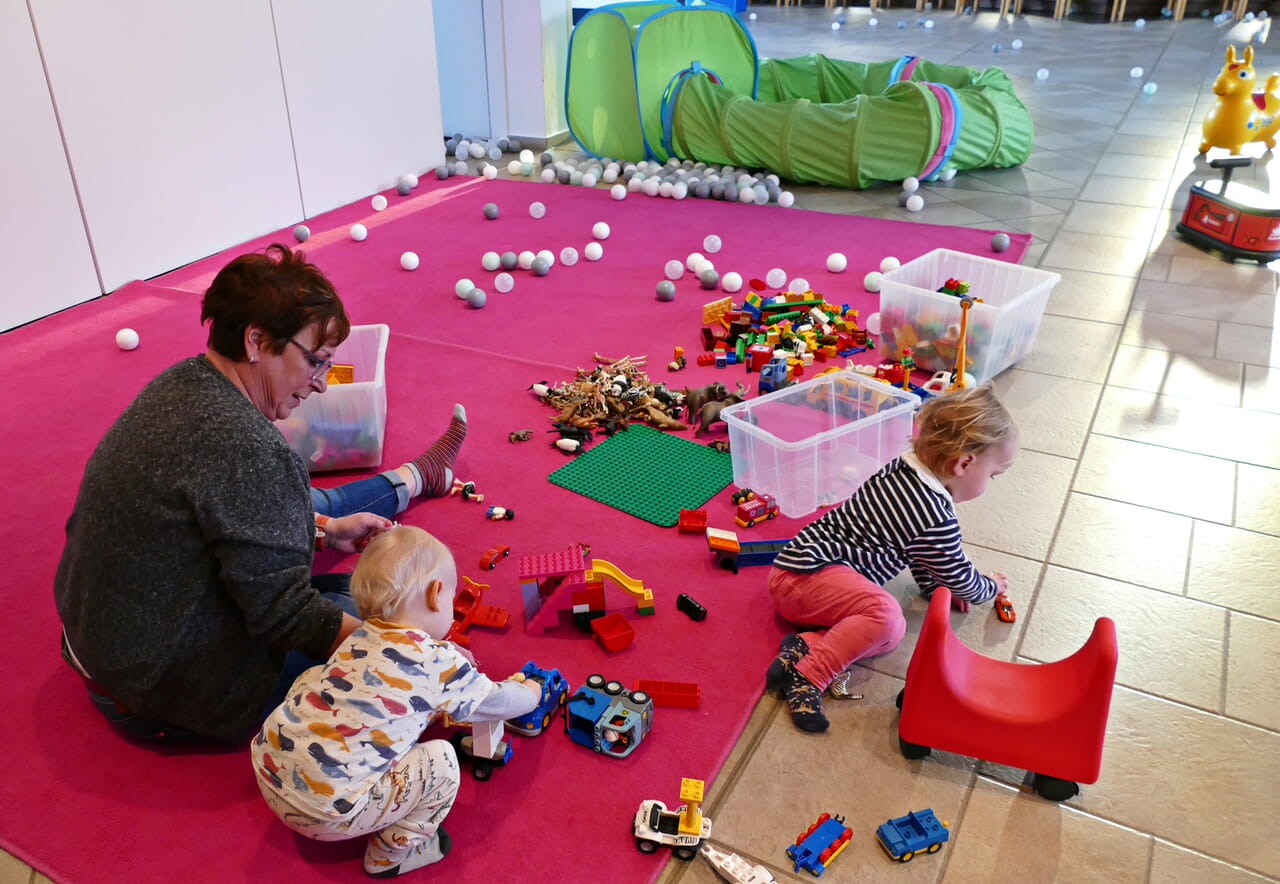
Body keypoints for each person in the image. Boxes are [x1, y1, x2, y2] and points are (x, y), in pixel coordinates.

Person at [54, 243, 438, 745]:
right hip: (158, 688)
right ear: (256, 340)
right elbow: (286, 616)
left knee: (314, 515)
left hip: (101, 647)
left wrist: (323, 535)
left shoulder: (183, 381)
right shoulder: (247, 447)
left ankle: (411, 479)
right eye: (316, 362)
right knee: (381, 608)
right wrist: (415, 663)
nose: (321, 385)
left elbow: (219, 526)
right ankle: (413, 482)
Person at [251, 525, 540, 878]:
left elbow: (400, 666)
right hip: (324, 815)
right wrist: (531, 693)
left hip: (269, 773)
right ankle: (390, 856)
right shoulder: (437, 664)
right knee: (442, 761)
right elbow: (496, 702)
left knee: (317, 682)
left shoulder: (358, 638)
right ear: (436, 595)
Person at [764, 383, 1018, 734]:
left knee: (884, 634)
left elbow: (916, 547)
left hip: (796, 570)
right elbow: (960, 575)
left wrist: (932, 584)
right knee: (887, 620)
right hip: (807, 581)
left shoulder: (904, 468)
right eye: (993, 475)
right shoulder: (934, 513)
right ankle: (809, 676)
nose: (990, 483)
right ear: (964, 463)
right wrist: (989, 587)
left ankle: (803, 644)